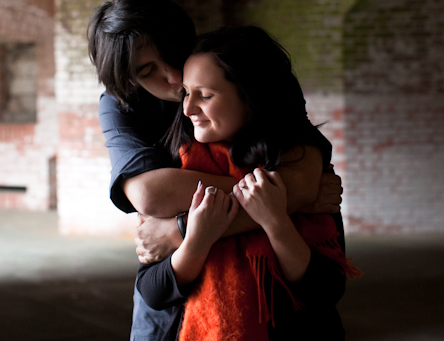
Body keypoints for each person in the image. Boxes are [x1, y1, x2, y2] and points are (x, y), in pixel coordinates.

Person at [88, 0, 343, 341]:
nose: (174, 79)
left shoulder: (244, 69)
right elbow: (150, 195)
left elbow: (323, 281)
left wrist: (177, 229)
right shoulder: (122, 105)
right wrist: (280, 196)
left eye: (172, 54)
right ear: (128, 80)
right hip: (173, 312)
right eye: (148, 71)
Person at [135, 26, 358, 340]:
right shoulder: (180, 164)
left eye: (206, 95)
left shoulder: (298, 164)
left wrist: (275, 221)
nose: (187, 108)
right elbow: (153, 291)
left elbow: (324, 289)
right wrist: (196, 238)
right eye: (186, 92)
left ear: (251, 96)